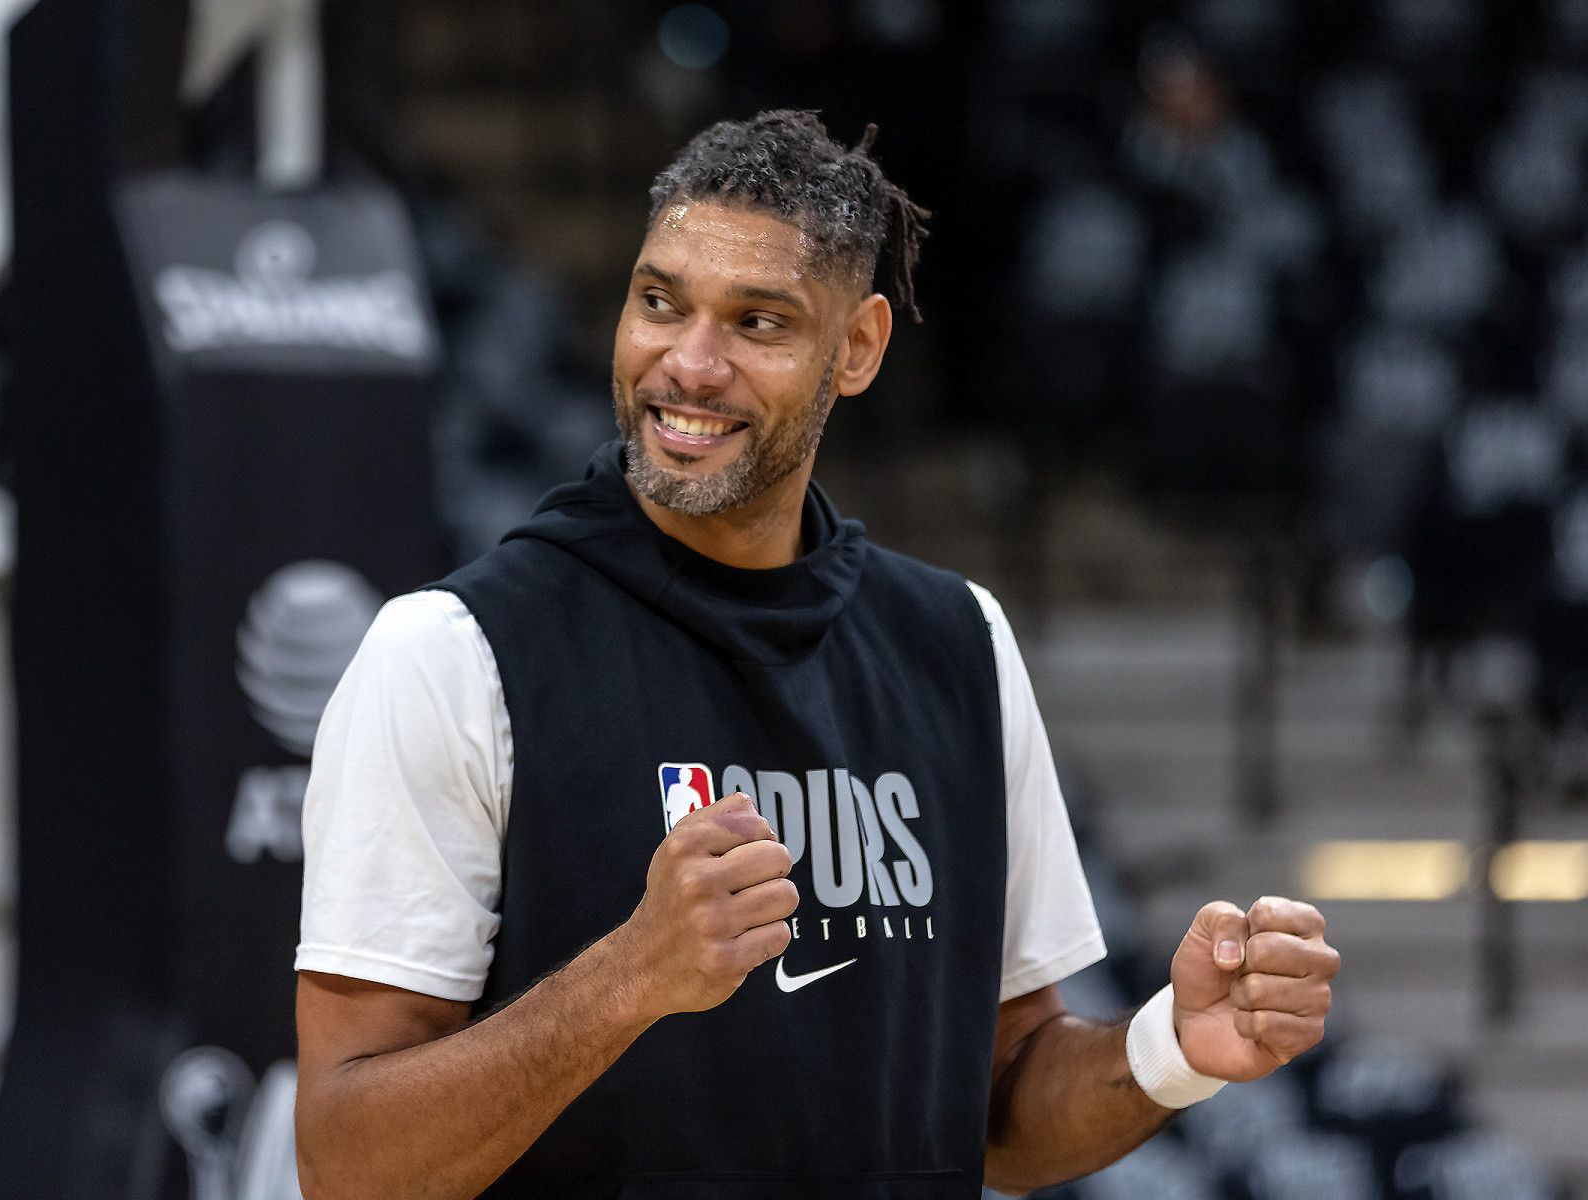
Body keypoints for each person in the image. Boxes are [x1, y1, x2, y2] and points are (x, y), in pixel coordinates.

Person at [293, 110, 1340, 1199]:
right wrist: (628, 978)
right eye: (661, 303)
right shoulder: (453, 654)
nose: (689, 364)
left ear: (859, 348)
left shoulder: (959, 645)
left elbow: (998, 1102)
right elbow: (347, 1164)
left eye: (758, 321)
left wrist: (1170, 1049)